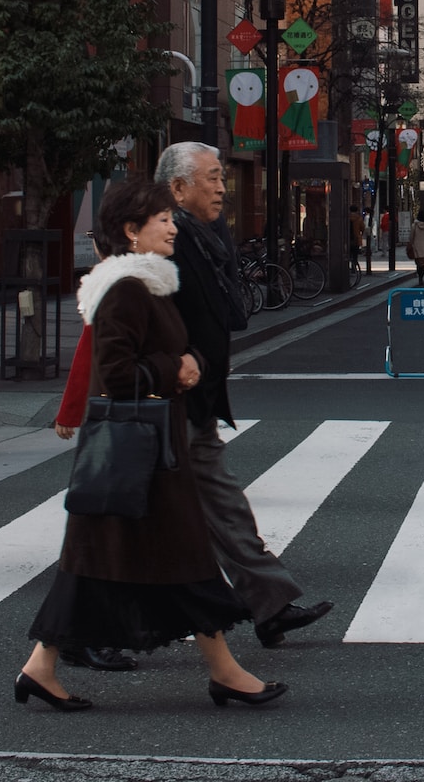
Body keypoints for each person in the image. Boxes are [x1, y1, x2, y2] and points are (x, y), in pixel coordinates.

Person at [17, 178, 284, 713]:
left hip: (148, 452)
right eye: (161, 219)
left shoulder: (149, 284)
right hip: (141, 454)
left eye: (169, 217)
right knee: (173, 559)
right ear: (131, 232)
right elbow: (114, 374)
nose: (171, 226)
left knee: (108, 565)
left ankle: (41, 668)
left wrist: (191, 365)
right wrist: (176, 368)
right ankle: (224, 672)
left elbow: (169, 354)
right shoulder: (126, 290)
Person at [158, 143, 333, 650]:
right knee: (122, 526)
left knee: (222, 506)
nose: (221, 187)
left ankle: (269, 604)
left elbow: (231, 311)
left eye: (221, 178)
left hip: (197, 399)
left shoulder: (205, 235)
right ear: (177, 188)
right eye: (211, 178)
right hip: (166, 403)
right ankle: (79, 632)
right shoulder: (164, 239)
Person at [407, 211, 424, 284]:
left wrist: (411, 243)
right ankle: (421, 277)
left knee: (418, 262)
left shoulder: (414, 226)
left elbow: (411, 237)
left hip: (416, 246)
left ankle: (419, 275)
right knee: (423, 263)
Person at [348, 205, 367, 273]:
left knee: (347, 254)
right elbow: (363, 228)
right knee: (355, 255)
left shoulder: (346, 218)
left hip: (347, 239)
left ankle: (346, 268)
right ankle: (354, 268)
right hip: (356, 239)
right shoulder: (359, 218)